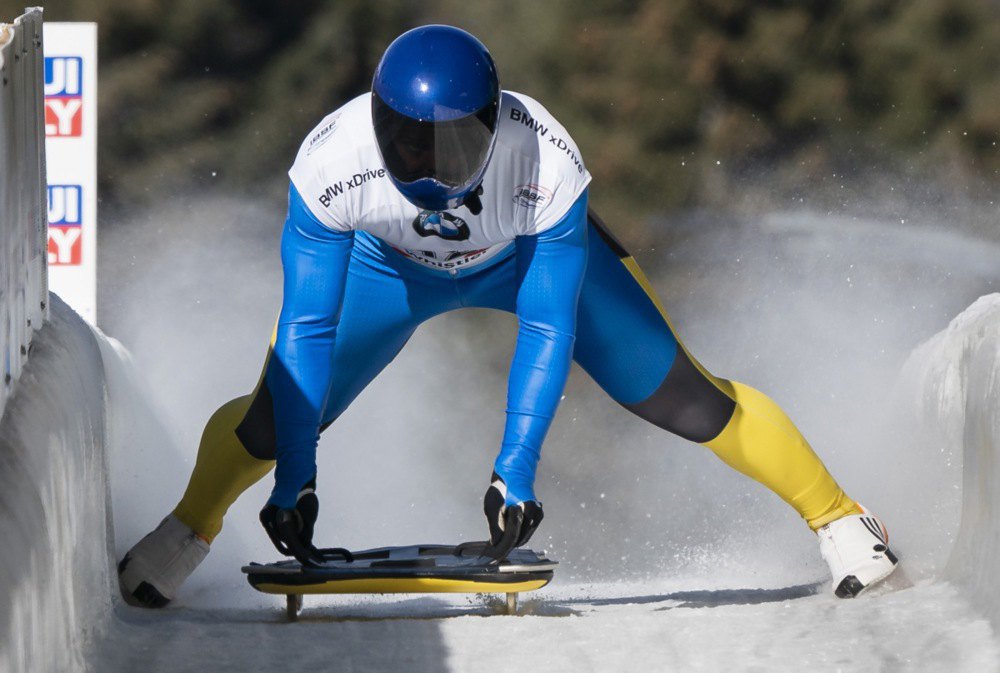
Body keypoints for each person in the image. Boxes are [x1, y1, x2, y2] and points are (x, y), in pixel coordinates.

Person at [117, 25, 897, 608]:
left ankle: (841, 518)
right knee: (274, 415)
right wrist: (295, 476)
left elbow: (548, 327)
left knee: (687, 398)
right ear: (375, 123)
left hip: (524, 258)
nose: (431, 165)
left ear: (495, 127)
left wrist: (513, 475)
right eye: (408, 146)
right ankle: (187, 529)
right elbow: (306, 328)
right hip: (386, 272)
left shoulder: (547, 157)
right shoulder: (329, 163)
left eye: (456, 147)